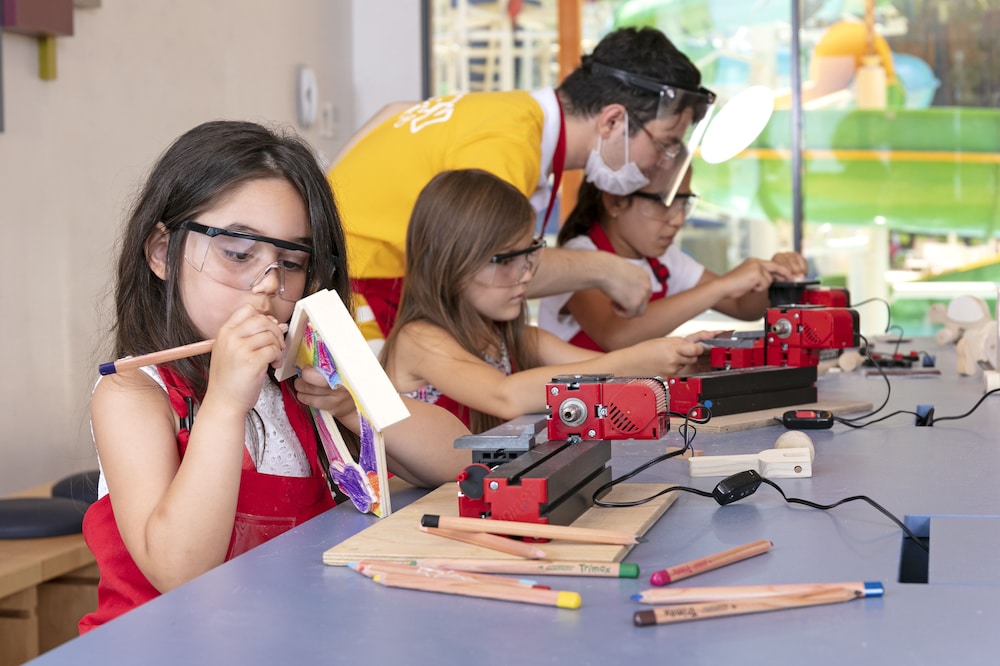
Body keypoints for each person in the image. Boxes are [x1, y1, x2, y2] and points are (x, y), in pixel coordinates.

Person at [80, 121, 469, 633]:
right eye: (238, 254)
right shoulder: (133, 392)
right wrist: (223, 403)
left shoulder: (298, 375)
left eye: (291, 261)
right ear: (160, 253)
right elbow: (180, 569)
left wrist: (352, 403)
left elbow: (460, 457)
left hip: (286, 636)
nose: (267, 286)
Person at [328, 26, 717, 349]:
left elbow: (391, 112)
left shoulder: (509, 113)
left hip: (356, 281)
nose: (661, 163)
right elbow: (489, 263)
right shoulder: (510, 144)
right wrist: (608, 270)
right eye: (664, 143)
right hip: (358, 299)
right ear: (613, 121)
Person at [381, 169, 711, 434]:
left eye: (528, 255)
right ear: (448, 263)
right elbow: (505, 396)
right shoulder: (419, 340)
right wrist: (637, 359)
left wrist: (683, 359)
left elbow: (601, 373)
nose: (525, 274)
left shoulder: (517, 338)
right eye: (505, 261)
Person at [538, 166, 809, 351]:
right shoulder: (579, 258)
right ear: (615, 202)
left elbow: (743, 308)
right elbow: (616, 335)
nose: (678, 219)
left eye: (684, 202)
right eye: (664, 202)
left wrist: (768, 275)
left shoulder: (664, 260)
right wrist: (721, 286)